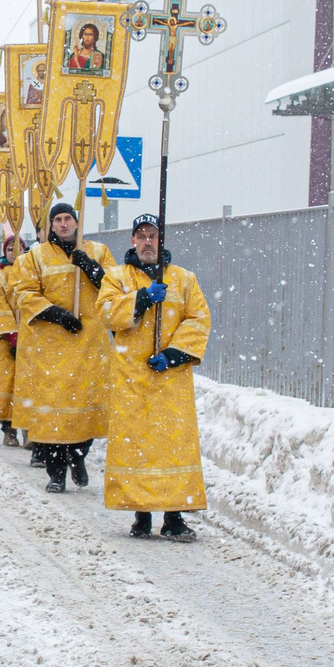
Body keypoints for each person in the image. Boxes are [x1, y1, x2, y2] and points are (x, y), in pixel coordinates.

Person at [100, 214, 211, 540]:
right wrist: (143, 298)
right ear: (133, 240)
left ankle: (174, 516)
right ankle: (141, 513)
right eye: (142, 236)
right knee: (136, 446)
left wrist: (174, 354)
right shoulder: (118, 277)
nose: (148, 242)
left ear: (161, 241)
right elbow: (106, 313)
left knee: (172, 447)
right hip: (132, 378)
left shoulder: (184, 280)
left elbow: (199, 318)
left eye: (153, 236)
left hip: (170, 381)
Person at [5, 200, 115, 492]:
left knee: (85, 411)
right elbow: (23, 292)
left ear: (76, 222)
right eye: (58, 220)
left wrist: (90, 268)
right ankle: (56, 473)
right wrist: (56, 314)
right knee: (53, 415)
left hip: (89, 347)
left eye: (68, 218)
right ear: (50, 226)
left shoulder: (98, 252)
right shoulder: (35, 256)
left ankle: (78, 457)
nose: (64, 224)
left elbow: (116, 287)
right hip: (52, 348)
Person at [0, 225, 23, 448]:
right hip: (5, 341)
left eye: (18, 248)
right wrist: (12, 335)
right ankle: (9, 429)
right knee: (7, 385)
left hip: (29, 342)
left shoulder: (30, 274)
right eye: (10, 249)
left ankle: (29, 429)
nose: (14, 253)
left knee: (27, 387)